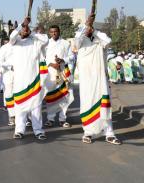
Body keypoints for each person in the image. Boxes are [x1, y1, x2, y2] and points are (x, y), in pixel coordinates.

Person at [74, 16, 121, 145]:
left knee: (104, 106)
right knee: (87, 104)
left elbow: (108, 40)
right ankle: (87, 133)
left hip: (100, 79)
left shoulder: (99, 41)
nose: (89, 29)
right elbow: (76, 42)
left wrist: (94, 31)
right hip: (86, 80)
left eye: (91, 27)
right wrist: (85, 25)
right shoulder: (81, 41)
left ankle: (109, 133)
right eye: (87, 28)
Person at [9, 17, 48, 140]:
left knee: (36, 106)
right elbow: (11, 37)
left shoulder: (35, 41)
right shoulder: (16, 42)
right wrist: (22, 25)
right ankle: (19, 130)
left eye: (27, 29)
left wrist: (31, 32)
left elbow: (46, 40)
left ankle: (38, 130)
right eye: (23, 29)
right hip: (20, 80)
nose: (25, 30)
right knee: (20, 106)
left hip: (34, 79)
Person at [44, 25, 74, 128]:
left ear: (59, 32)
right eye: (51, 32)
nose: (54, 34)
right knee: (51, 97)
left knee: (65, 97)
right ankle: (50, 119)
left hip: (62, 73)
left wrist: (62, 60)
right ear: (49, 33)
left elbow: (72, 57)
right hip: (51, 75)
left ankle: (62, 119)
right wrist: (51, 64)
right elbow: (42, 58)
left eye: (55, 32)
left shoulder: (66, 43)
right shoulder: (46, 44)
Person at [0, 38, 15, 126]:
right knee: (9, 95)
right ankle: (12, 116)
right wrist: (7, 68)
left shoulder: (21, 45)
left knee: (21, 95)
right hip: (8, 74)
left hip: (21, 74)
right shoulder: (4, 48)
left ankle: (24, 117)